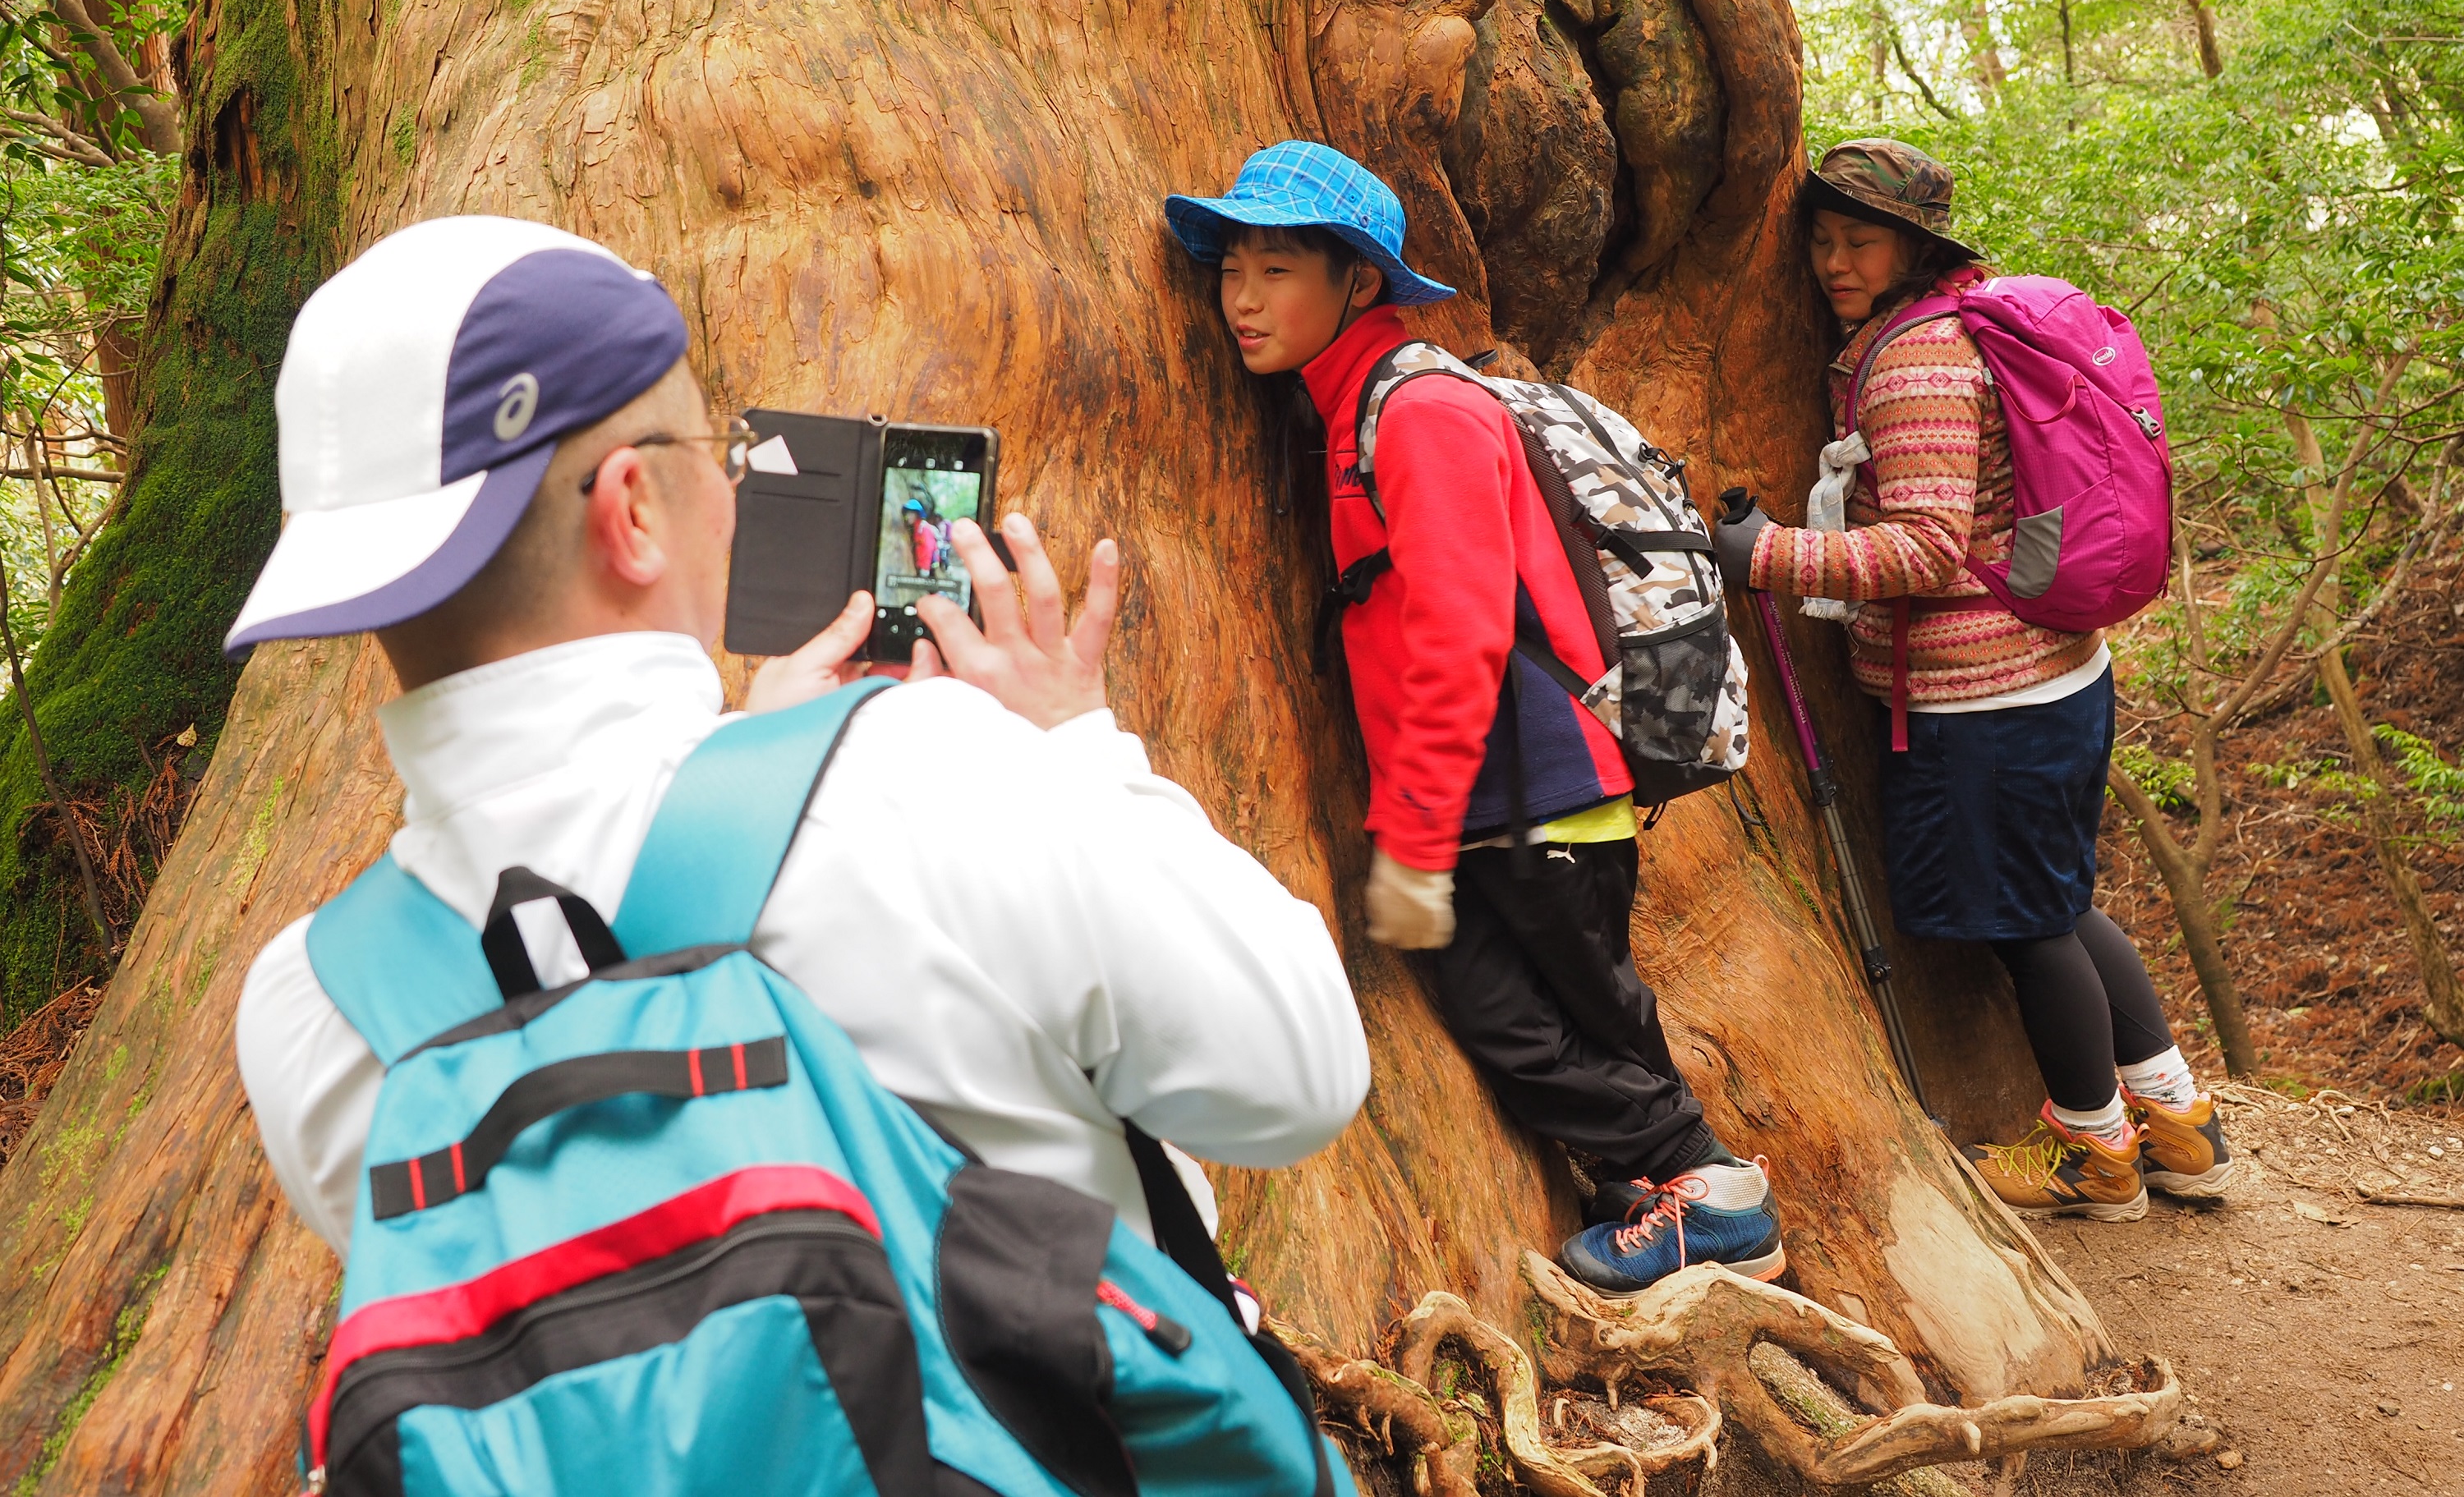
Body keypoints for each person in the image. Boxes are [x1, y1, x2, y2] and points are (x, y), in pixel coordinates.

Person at [232, 214, 1371, 1262]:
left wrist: (745, 762)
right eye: (711, 451)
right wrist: (1070, 740)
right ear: (630, 508)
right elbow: (1301, 1070)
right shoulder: (917, 774)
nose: (731, 492)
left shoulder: (307, 1018)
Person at [1165, 141, 1783, 1293]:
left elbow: (1459, 634)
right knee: (1551, 1012)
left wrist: (1410, 832)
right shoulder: (1355, 406)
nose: (1241, 296)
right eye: (1231, 264)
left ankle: (1712, 1191)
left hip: (1532, 786)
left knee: (1535, 1016)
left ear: (1358, 283)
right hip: (1511, 789)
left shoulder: (1421, 410)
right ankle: (1665, 1182)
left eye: (1279, 266)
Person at [1711, 139, 2231, 1219]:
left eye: (1860, 240)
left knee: (2026, 924)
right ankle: (2177, 1119)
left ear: (1913, 246)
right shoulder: (1960, 323)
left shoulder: (1915, 364)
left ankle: (2097, 1151)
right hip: (2052, 673)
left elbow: (1926, 549)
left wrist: (1766, 552)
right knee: (2061, 902)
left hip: (1986, 700)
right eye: (1822, 238)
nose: (1834, 260)